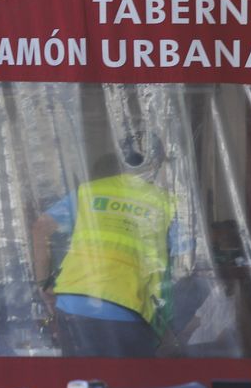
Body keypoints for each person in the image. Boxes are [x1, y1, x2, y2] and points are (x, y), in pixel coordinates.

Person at [30, 133, 194, 358]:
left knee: (80, 387)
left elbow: (40, 227)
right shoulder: (166, 203)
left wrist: (43, 282)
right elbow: (189, 263)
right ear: (156, 164)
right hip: (126, 308)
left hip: (73, 305)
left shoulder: (89, 191)